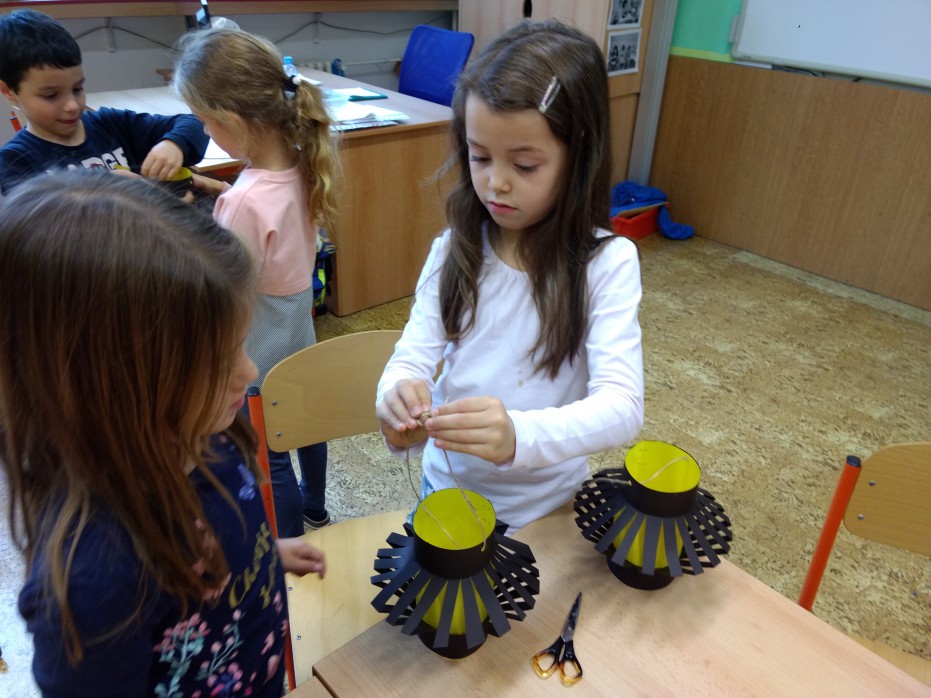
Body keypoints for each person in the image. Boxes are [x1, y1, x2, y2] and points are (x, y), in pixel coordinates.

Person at [0, 171, 325, 695]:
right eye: (218, 361)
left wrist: (263, 555)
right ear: (114, 387)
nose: (248, 371)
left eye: (240, 345)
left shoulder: (210, 432)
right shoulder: (92, 585)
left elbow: (220, 536)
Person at [375, 19, 645, 533]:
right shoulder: (454, 249)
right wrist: (398, 394)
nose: (495, 183)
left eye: (524, 166)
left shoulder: (606, 264)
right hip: (447, 494)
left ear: (578, 159)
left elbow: (623, 406)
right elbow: (412, 357)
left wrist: (517, 435)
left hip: (547, 511)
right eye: (479, 156)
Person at [173, 28, 340, 536]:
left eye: (204, 121)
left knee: (271, 452)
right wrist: (222, 194)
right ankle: (317, 508)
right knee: (306, 425)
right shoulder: (302, 162)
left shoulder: (242, 202)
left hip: (258, 344)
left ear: (231, 121)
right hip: (297, 329)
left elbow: (226, 287)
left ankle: (287, 546)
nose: (205, 131)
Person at [0, 9, 209, 195]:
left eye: (77, 89)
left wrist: (174, 144)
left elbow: (194, 123)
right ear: (8, 91)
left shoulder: (110, 124)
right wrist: (105, 192)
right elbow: (40, 222)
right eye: (50, 95)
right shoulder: (14, 161)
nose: (72, 105)